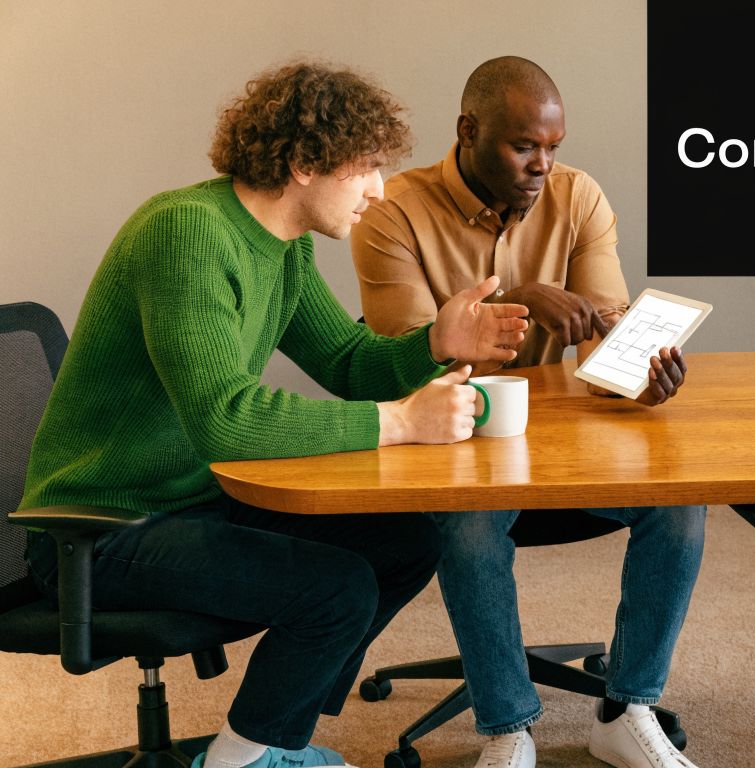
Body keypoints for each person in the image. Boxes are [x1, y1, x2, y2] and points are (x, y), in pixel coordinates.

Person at [20, 60, 529, 768]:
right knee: (337, 588)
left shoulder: (281, 252)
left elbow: (350, 361)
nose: (381, 191)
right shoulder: (187, 233)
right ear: (301, 164)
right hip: (101, 530)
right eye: (366, 168)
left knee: (407, 538)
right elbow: (226, 420)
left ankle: (266, 741)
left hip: (193, 502)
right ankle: (243, 759)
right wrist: (400, 422)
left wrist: (436, 342)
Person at [350, 56, 705, 768]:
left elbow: (604, 341)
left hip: (563, 447)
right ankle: (507, 727)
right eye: (523, 146)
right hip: (448, 445)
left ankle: (626, 706)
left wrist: (641, 376)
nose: (543, 164)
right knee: (472, 523)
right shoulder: (392, 214)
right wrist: (520, 299)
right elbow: (417, 370)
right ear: (469, 130)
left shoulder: (579, 199)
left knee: (681, 504)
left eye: (552, 148)